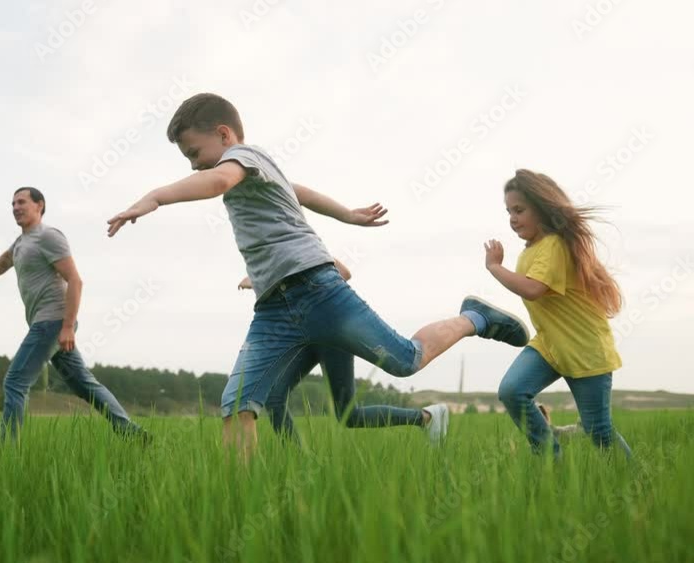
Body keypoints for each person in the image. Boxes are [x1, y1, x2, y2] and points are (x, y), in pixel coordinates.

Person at [106, 93, 528, 460]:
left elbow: (218, 180)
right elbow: (300, 192)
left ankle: (475, 318)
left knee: (405, 360)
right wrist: (345, 215)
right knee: (238, 403)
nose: (194, 165)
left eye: (194, 153)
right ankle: (241, 499)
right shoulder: (256, 171)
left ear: (224, 134)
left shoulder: (242, 159)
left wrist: (155, 198)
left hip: (317, 291)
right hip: (274, 308)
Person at [0, 187, 149, 443]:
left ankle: (6, 449)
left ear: (39, 206)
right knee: (83, 384)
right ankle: (133, 434)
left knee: (15, 381)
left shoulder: (48, 236)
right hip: (48, 323)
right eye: (13, 204)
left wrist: (68, 326)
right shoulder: (20, 243)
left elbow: (75, 280)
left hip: (52, 322)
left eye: (22, 202)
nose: (15, 207)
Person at [490, 169, 631, 457]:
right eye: (509, 212)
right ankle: (550, 459)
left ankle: (636, 479)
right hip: (549, 345)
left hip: (583, 348)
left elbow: (533, 289)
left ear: (541, 209)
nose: (512, 218)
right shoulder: (532, 249)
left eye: (519, 210)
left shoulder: (553, 245)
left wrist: (494, 267)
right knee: (512, 391)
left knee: (598, 430)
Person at [239, 261, 450, 445]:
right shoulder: (271, 260)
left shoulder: (301, 249)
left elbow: (344, 273)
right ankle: (298, 460)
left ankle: (425, 417)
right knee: (274, 396)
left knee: (348, 415)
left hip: (333, 337)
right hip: (307, 338)